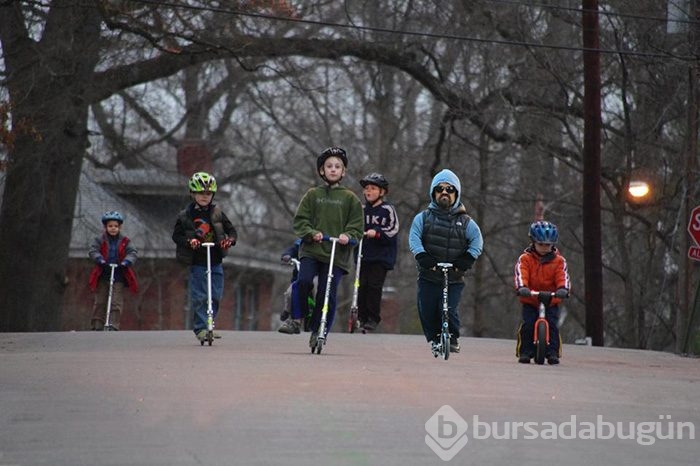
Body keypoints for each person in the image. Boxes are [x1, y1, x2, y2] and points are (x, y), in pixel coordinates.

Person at [290, 146, 363, 348]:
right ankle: (297, 317)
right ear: (322, 170)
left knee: (326, 292)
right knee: (303, 280)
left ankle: (318, 330)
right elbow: (300, 221)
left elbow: (357, 226)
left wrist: (348, 236)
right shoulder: (313, 195)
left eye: (337, 166)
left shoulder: (350, 199)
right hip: (312, 250)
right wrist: (311, 233)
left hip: (336, 255)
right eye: (329, 166)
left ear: (343, 171)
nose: (333, 169)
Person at [408, 169, 483, 355]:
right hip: (429, 274)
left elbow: (477, 241)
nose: (444, 193)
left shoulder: (466, 222)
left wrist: (466, 260)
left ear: (456, 194)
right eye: (440, 189)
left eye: (449, 189)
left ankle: (453, 337)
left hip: (454, 276)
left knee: (449, 307)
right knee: (426, 308)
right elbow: (414, 237)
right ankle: (434, 338)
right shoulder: (423, 218)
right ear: (433, 193)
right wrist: (422, 256)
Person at [172, 172, 237, 342]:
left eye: (208, 194)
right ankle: (201, 327)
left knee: (215, 294)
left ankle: (210, 324)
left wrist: (229, 240)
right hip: (198, 261)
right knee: (200, 295)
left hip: (215, 259)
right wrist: (189, 241)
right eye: (201, 193)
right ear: (193, 194)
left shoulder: (217, 212)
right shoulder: (186, 215)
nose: (204, 197)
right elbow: (176, 236)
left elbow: (232, 231)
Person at [513, 220, 570, 365]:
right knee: (528, 324)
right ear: (533, 242)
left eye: (547, 245)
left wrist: (563, 289)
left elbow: (562, 276)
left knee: (552, 325)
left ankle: (553, 352)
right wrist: (522, 287)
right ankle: (525, 351)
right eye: (541, 244)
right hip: (531, 298)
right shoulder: (525, 259)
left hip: (551, 300)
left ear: (553, 245)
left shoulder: (559, 262)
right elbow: (521, 273)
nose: (544, 248)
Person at [357, 172, 399, 332]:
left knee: (374, 286)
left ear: (382, 192)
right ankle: (360, 316)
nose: (369, 191)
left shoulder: (388, 210)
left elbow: (393, 229)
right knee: (361, 286)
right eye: (367, 188)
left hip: (381, 256)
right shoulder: (360, 210)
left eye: (373, 188)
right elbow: (353, 226)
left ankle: (373, 318)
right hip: (363, 254)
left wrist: (377, 232)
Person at [88, 211, 138, 330]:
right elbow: (93, 250)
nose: (113, 229)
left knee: (116, 301)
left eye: (115, 226)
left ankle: (114, 325)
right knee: (100, 301)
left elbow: (132, 252)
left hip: (118, 273)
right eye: (110, 226)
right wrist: (100, 260)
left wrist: (126, 262)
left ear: (119, 227)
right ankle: (97, 324)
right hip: (103, 272)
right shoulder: (100, 239)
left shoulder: (125, 241)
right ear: (106, 227)